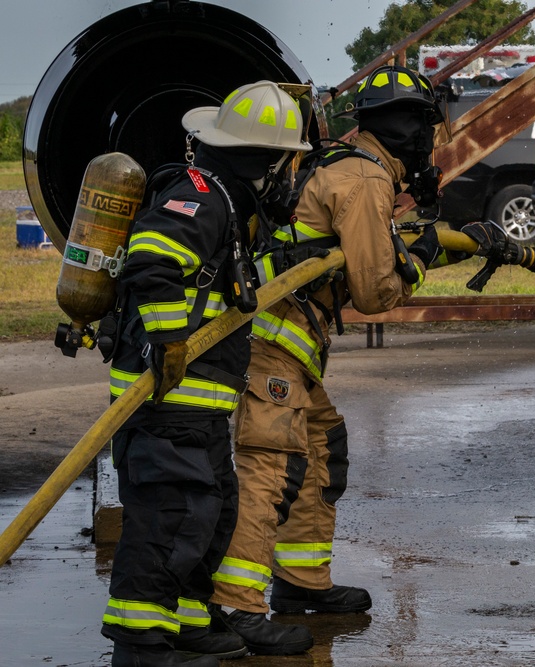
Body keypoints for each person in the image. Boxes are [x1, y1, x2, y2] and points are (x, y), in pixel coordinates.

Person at [208, 64, 457, 656]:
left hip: (289, 346)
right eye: (427, 128)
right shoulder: (367, 180)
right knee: (271, 463)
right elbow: (373, 292)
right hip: (272, 345)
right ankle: (234, 607)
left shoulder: (341, 164)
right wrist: (420, 260)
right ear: (412, 132)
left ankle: (301, 583)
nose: (430, 143)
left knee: (320, 447)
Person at [101, 81, 312, 667]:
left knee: (210, 511)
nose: (286, 176)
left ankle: (190, 619)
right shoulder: (202, 195)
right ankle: (140, 643)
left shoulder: (230, 202)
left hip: (202, 403)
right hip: (168, 400)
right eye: (283, 162)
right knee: (170, 519)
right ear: (264, 161)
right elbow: (153, 259)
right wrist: (169, 342)